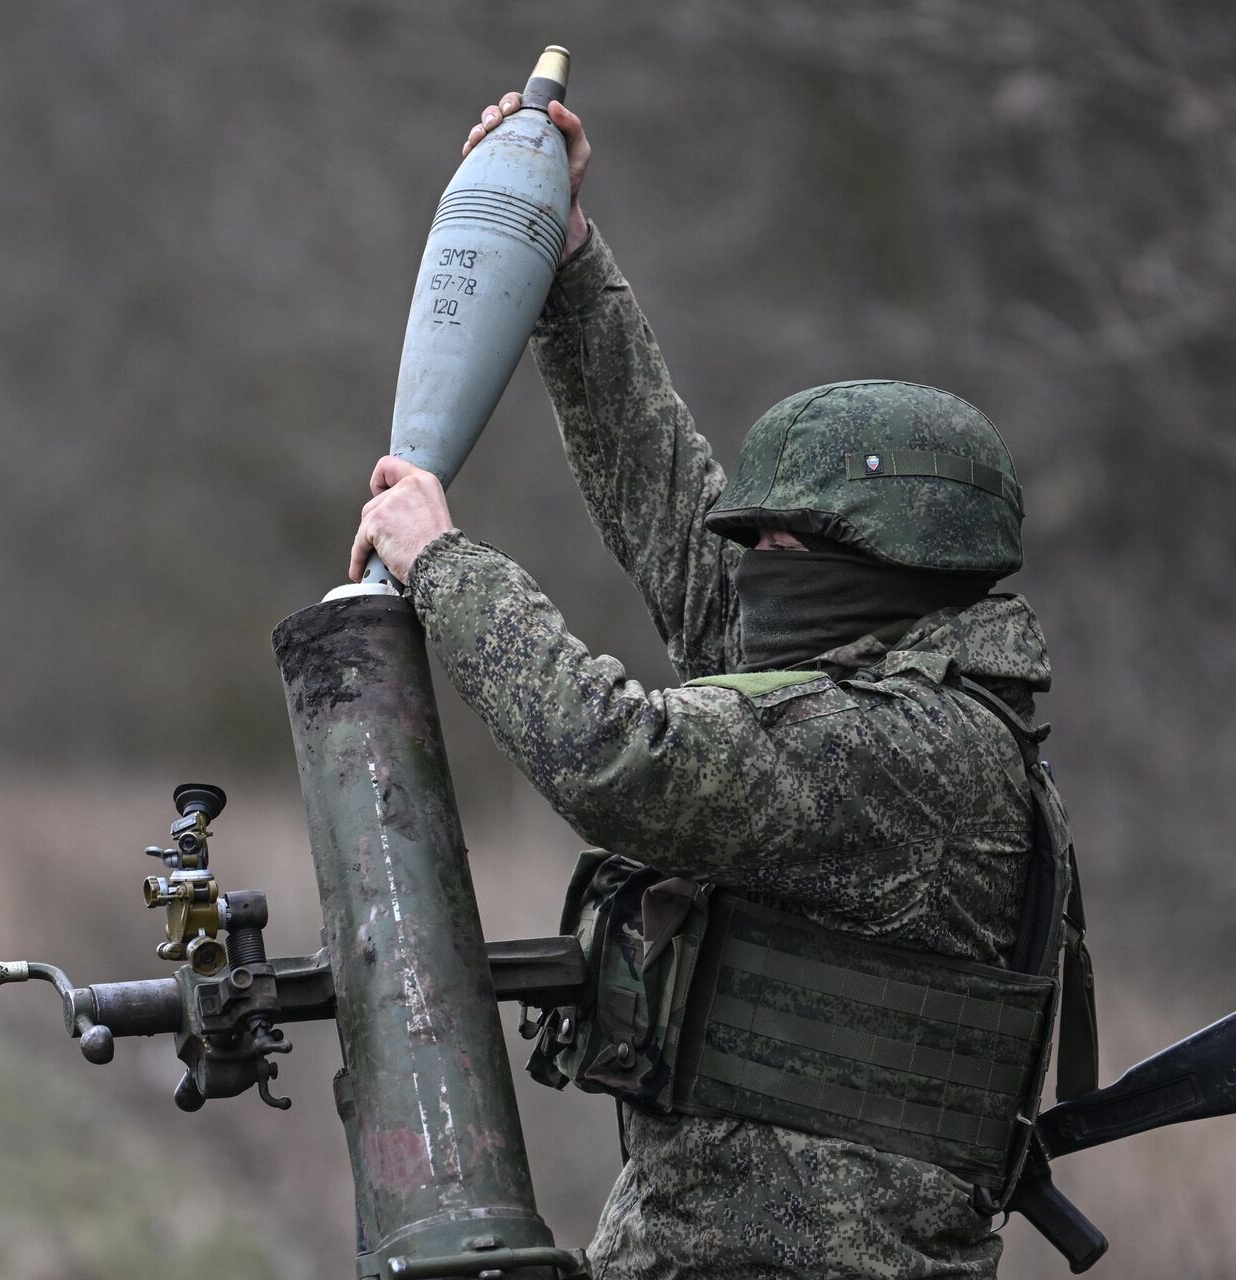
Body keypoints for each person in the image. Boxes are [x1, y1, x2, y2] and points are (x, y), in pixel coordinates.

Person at [349, 93, 1062, 1280]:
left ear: (887, 565)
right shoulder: (873, 667)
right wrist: (561, 258)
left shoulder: (917, 748)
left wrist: (444, 565)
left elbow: (622, 760)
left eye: (782, 545)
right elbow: (671, 509)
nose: (750, 574)